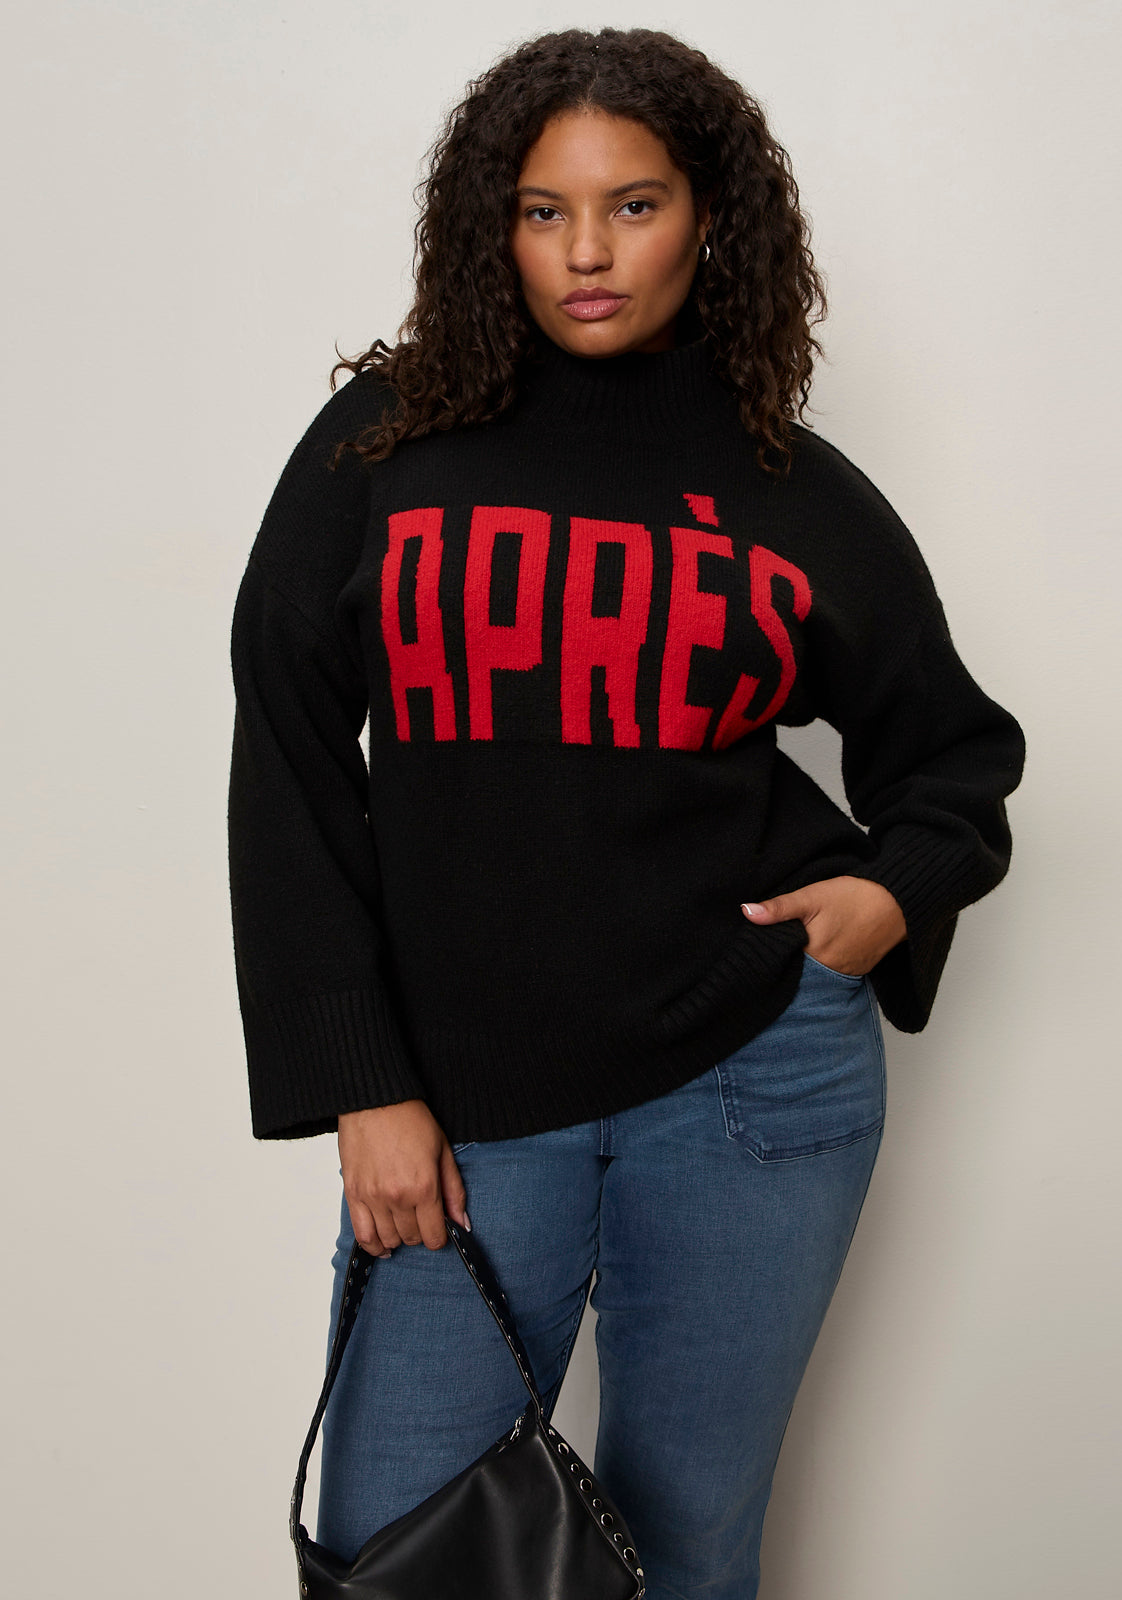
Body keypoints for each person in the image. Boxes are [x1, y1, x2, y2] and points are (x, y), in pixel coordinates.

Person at [227, 25, 1025, 1599]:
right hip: (456, 1102)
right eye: (543, 210)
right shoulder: (386, 448)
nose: (587, 252)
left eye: (635, 205)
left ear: (710, 217)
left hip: (753, 1081)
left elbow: (956, 756)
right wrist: (359, 1084)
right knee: (404, 1545)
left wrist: (888, 894)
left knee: (690, 1549)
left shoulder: (785, 484)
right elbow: (291, 760)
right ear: (492, 225)